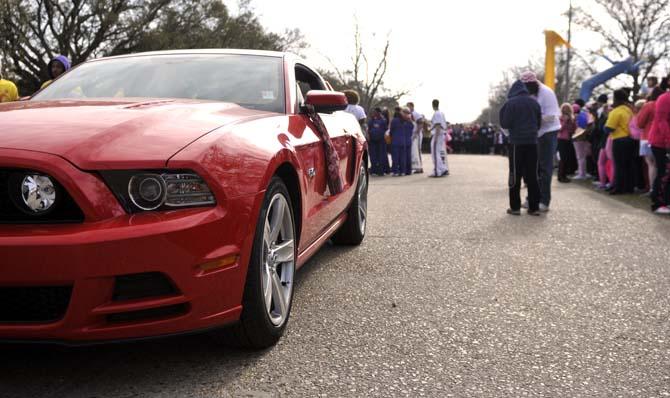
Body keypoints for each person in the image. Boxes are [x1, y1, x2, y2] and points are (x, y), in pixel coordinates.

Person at [499, 80, 542, 216]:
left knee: (515, 174)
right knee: (533, 175)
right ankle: (534, 207)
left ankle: (515, 207)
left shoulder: (510, 103)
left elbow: (504, 123)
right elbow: (539, 123)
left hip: (517, 142)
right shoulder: (534, 103)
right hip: (532, 142)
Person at [520, 71, 561, 212]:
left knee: (545, 167)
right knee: (533, 167)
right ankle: (532, 198)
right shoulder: (528, 93)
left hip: (548, 132)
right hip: (536, 133)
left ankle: (544, 201)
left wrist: (532, 119)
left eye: (528, 87)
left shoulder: (546, 93)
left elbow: (551, 116)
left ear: (534, 83)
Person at [605, 89, 635, 195]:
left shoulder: (615, 111)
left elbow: (609, 128)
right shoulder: (629, 110)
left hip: (619, 139)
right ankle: (629, 187)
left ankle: (618, 188)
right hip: (630, 139)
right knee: (628, 164)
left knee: (619, 165)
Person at [648, 76, 670, 214]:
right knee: (664, 172)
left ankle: (665, 201)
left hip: (665, 140)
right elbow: (662, 121)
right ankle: (658, 203)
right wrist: (668, 140)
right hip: (661, 141)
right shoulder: (665, 98)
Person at [637, 87, 664, 196]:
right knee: (660, 165)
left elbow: (640, 123)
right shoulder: (664, 104)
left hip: (647, 138)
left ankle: (653, 189)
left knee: (651, 164)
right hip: (662, 138)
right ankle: (660, 189)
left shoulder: (649, 105)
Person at [390, 107, 414, 176]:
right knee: (403, 157)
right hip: (404, 142)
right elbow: (411, 130)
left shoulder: (394, 121)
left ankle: (396, 171)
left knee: (395, 157)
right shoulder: (409, 122)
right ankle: (403, 171)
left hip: (396, 141)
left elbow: (391, 131)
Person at [572, 103, 593, 180]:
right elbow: (589, 125)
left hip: (578, 138)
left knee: (580, 156)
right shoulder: (585, 114)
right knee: (583, 156)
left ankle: (582, 174)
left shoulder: (576, 117)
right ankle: (583, 172)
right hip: (585, 137)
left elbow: (575, 128)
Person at [429, 99, 449, 177]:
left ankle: (437, 171)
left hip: (438, 135)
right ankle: (443, 169)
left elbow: (438, 125)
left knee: (435, 153)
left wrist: (436, 137)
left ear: (432, 105)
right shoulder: (441, 113)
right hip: (441, 134)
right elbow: (443, 125)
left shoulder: (436, 114)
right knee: (438, 153)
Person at [557, 103, 576, 183]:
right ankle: (560, 176)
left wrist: (573, 124)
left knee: (567, 158)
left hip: (569, 139)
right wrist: (565, 121)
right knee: (563, 158)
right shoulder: (560, 117)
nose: (565, 110)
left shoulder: (572, 118)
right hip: (561, 139)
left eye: (567, 108)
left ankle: (564, 175)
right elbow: (559, 129)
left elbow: (574, 128)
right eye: (564, 108)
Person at [367, 107, 388, 176]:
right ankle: (374, 170)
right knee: (373, 156)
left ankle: (381, 171)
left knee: (381, 156)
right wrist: (369, 136)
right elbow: (368, 129)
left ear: (379, 112)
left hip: (381, 141)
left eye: (375, 112)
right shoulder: (371, 120)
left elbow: (386, 130)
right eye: (373, 112)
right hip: (373, 141)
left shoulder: (383, 120)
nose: (374, 113)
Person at [407, 102, 424, 174]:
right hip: (412, 134)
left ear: (412, 106)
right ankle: (415, 166)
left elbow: (421, 123)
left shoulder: (416, 113)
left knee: (418, 150)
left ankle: (420, 167)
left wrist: (416, 133)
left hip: (417, 135)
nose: (408, 108)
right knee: (413, 151)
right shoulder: (409, 114)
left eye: (408, 106)